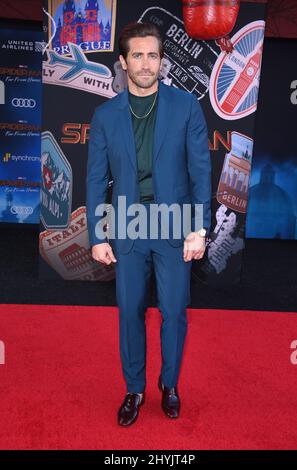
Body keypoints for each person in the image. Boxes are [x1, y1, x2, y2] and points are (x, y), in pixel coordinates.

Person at [86, 22, 211, 426]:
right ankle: (134, 388)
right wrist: (97, 234)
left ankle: (170, 385)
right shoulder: (105, 116)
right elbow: (94, 178)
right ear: (123, 62)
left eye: (152, 55)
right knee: (129, 312)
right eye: (137, 55)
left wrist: (199, 226)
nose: (145, 63)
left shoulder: (185, 106)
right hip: (127, 225)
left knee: (174, 312)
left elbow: (200, 170)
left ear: (162, 60)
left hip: (174, 224)